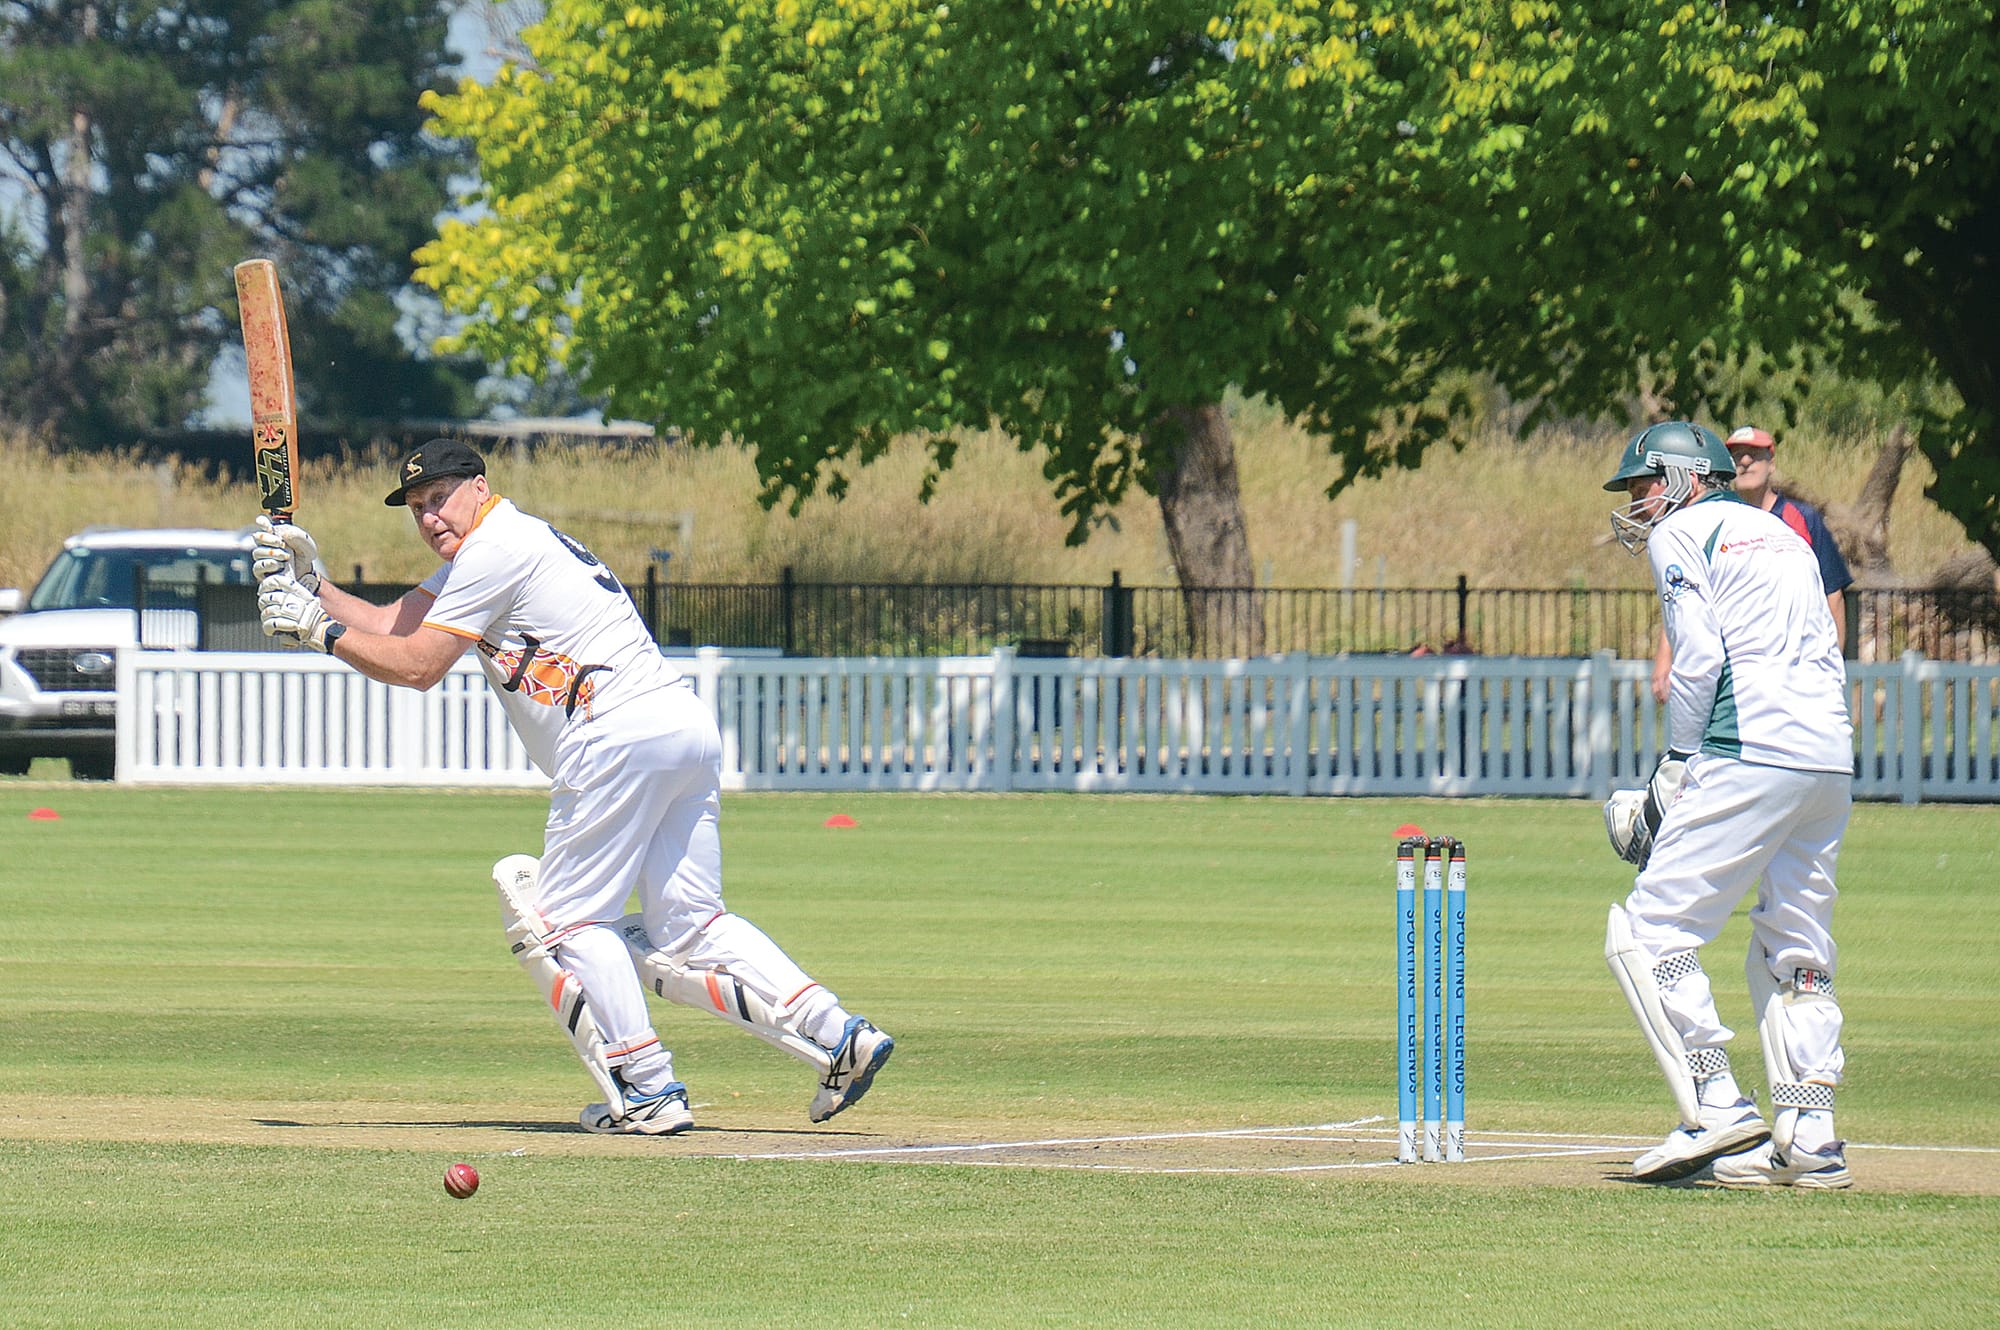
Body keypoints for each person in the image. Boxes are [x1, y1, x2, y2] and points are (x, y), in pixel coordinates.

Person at [252, 439, 893, 1134]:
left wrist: (320, 632)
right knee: (692, 924)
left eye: (439, 498)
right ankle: (837, 1035)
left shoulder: (493, 550)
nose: (430, 517)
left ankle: (647, 1088)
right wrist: (313, 587)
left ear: (478, 486)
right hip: (679, 728)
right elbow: (396, 622)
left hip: (612, 733)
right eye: (416, 508)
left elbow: (418, 664)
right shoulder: (505, 543)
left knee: (564, 923)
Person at [1600, 420, 1855, 1189]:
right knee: (1797, 945)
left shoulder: (1681, 534)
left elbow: (1700, 658)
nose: (1637, 503)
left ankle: (1715, 1103)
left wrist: (1676, 768)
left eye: (1643, 484)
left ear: (1680, 477)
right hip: (1828, 755)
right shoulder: (1784, 536)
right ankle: (1810, 1131)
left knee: (1646, 931)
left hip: (1750, 745)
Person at [1648, 424, 1854, 702]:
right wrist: (1665, 656)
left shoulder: (1801, 518)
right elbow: (1685, 592)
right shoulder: (1708, 521)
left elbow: (1832, 595)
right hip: (1733, 670)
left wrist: (1832, 669)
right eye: (1737, 456)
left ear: (1771, 463)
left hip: (1795, 667)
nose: (1745, 462)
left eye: (1753, 455)